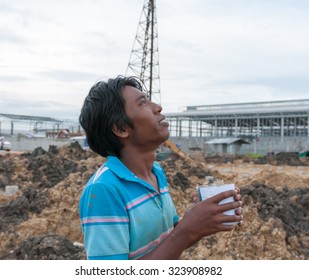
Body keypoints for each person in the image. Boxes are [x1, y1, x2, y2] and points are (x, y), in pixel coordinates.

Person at [78, 75, 243, 260]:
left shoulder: (156, 172)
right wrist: (187, 230)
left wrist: (200, 220)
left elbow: (169, 242)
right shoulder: (103, 190)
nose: (157, 107)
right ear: (121, 128)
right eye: (143, 103)